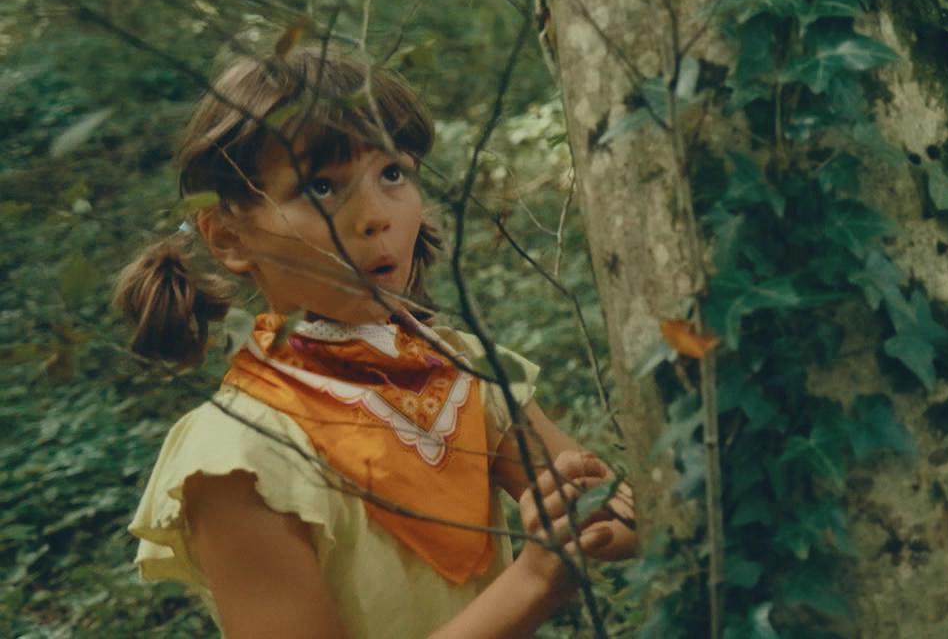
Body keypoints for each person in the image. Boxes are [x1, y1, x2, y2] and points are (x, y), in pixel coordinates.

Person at [117, 47, 637, 638]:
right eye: (320, 186)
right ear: (229, 237)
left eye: (393, 174)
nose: (374, 216)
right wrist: (533, 581)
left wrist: (589, 505)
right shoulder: (240, 458)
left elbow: (621, 521)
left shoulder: (460, 371)